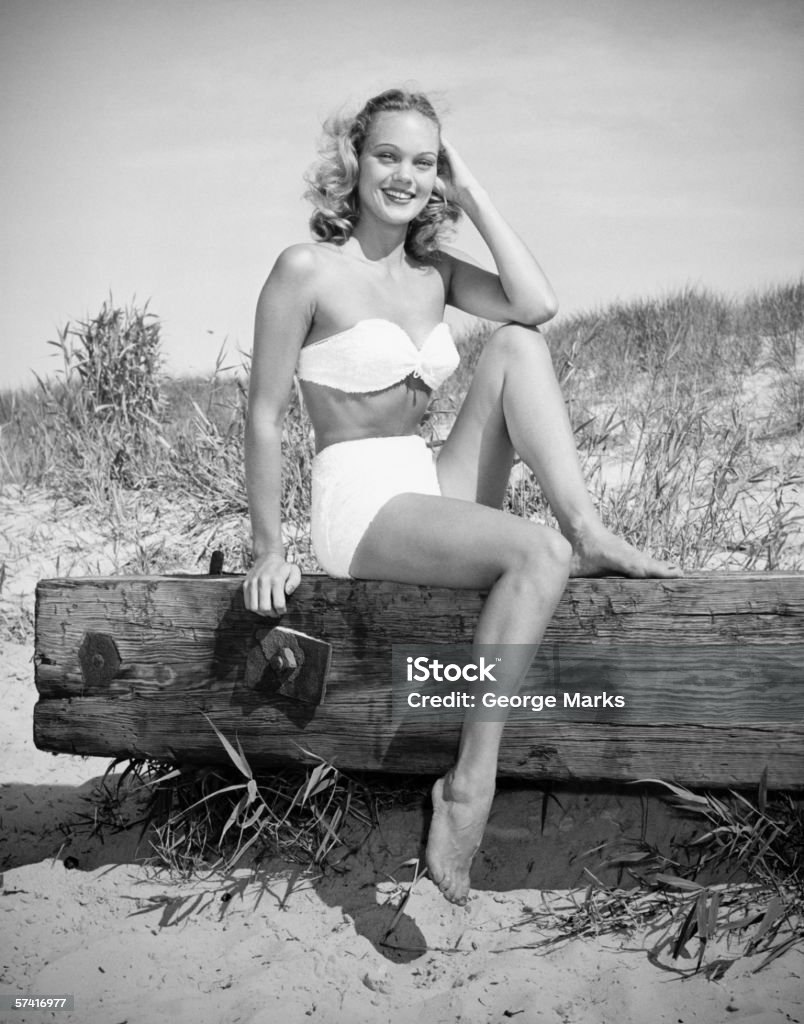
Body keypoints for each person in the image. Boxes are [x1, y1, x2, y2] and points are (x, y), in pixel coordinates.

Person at [243, 88, 681, 906]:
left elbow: (536, 303)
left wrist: (471, 190)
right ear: (354, 160)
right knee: (532, 551)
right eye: (387, 156)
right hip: (362, 503)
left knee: (518, 344)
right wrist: (271, 546)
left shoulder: (432, 271)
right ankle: (468, 786)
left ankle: (586, 527)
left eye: (423, 160)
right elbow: (263, 417)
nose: (403, 175)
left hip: (427, 480)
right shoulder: (306, 270)